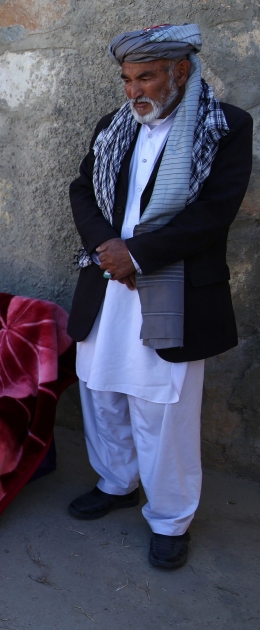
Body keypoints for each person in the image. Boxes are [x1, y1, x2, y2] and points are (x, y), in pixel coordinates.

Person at [67, 24, 253, 569]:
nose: (134, 92)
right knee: (101, 391)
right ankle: (117, 481)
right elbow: (82, 187)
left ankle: (171, 518)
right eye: (126, 79)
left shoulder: (226, 127)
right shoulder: (114, 126)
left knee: (161, 408)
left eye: (145, 77)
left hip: (170, 289)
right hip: (107, 282)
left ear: (181, 71)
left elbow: (214, 212)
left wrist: (140, 255)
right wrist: (107, 245)